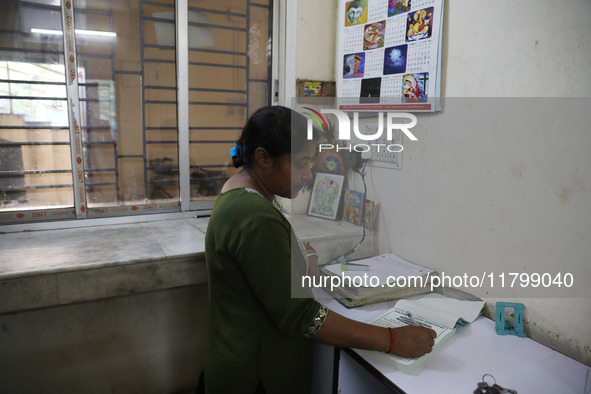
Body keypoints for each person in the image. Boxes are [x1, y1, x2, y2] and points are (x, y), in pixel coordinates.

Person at [203, 106, 436, 394]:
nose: (307, 175)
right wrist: (391, 339)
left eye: (310, 164)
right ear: (263, 157)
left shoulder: (239, 191)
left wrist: (304, 257)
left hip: (240, 359)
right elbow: (303, 316)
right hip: (258, 376)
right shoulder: (253, 215)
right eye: (301, 163)